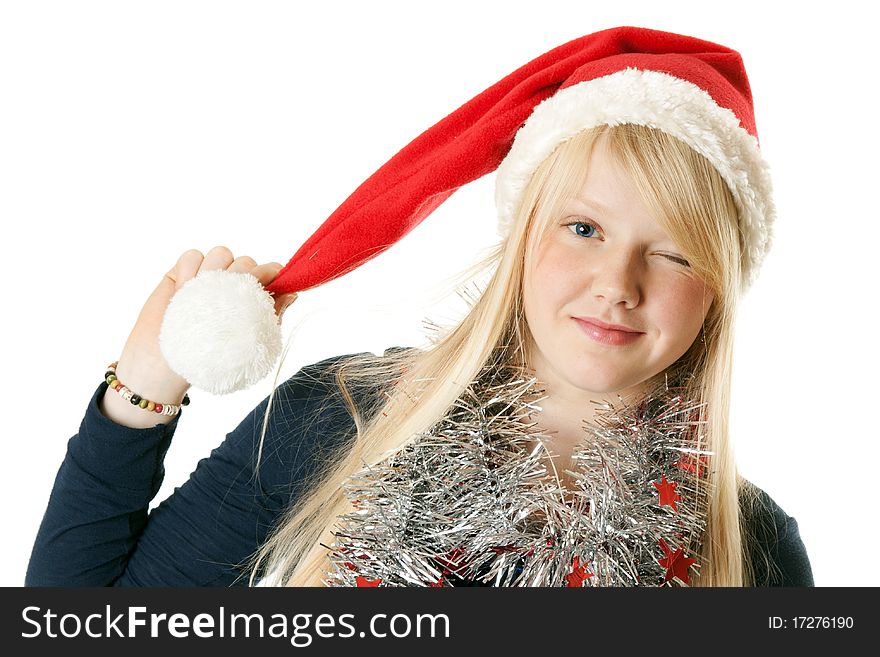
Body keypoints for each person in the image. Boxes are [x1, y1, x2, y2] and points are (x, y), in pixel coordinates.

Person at [26, 26, 813, 587]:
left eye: (673, 250)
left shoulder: (754, 551)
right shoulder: (340, 416)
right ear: (523, 234)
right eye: (584, 227)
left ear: (718, 284)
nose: (617, 281)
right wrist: (142, 390)